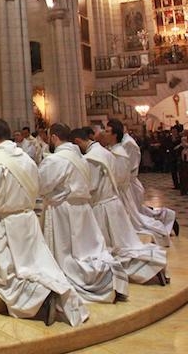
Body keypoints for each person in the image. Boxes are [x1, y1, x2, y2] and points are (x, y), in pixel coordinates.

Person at [0, 119, 87, 326]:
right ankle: (55, 288)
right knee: (35, 264)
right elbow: (38, 186)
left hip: (5, 224)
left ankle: (41, 295)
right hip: (28, 219)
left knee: (5, 275)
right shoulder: (27, 159)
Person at [38, 123, 128, 303]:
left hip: (63, 211)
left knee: (67, 254)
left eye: (49, 137)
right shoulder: (80, 157)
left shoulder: (56, 160)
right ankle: (106, 278)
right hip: (83, 209)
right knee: (84, 250)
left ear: (54, 137)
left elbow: (42, 185)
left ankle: (89, 280)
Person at [72, 127, 168, 285]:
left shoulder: (92, 158)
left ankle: (150, 266)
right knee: (123, 244)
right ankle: (153, 265)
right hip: (112, 201)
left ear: (78, 141)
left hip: (103, 206)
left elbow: (92, 186)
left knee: (115, 250)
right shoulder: (104, 152)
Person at [105, 120, 172, 247]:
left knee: (137, 217)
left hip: (128, 185)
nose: (104, 133)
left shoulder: (127, 145)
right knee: (136, 215)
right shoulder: (116, 147)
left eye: (107, 131)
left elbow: (127, 169)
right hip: (124, 186)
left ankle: (165, 217)